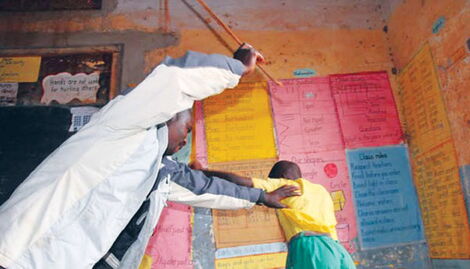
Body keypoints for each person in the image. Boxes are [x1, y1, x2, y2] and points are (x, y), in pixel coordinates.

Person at [0, 44, 298, 269]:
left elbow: (204, 188)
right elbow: (171, 81)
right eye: (187, 128)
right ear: (169, 117)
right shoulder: (123, 126)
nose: (185, 139)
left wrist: (260, 197)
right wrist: (234, 68)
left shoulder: (156, 168)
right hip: (16, 250)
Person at [92, 110, 300, 269]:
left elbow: (198, 180)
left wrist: (205, 172)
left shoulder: (138, 152)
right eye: (186, 129)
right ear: (167, 122)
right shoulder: (160, 169)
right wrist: (261, 196)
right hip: (100, 256)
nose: (185, 140)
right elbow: (206, 188)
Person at [193, 160, 356, 269]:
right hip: (336, 248)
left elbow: (239, 181)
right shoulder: (321, 190)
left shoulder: (288, 186)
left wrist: (203, 172)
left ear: (283, 177)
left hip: (312, 248)